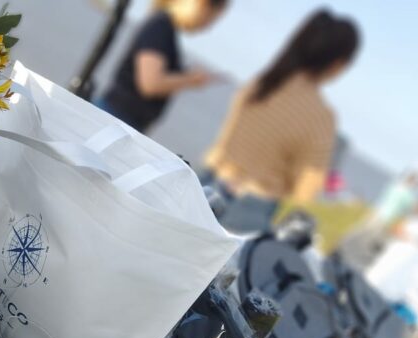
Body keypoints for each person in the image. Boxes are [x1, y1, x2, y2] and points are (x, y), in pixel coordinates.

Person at [204, 9, 360, 233]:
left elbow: (222, 143)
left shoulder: (262, 84)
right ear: (337, 63)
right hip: (248, 213)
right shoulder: (321, 116)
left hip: (207, 184)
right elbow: (305, 193)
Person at [99, 0, 229, 132]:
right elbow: (151, 84)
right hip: (116, 118)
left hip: (123, 121)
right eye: (210, 19)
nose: (207, 27)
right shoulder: (160, 27)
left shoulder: (164, 28)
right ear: (200, 5)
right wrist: (190, 79)